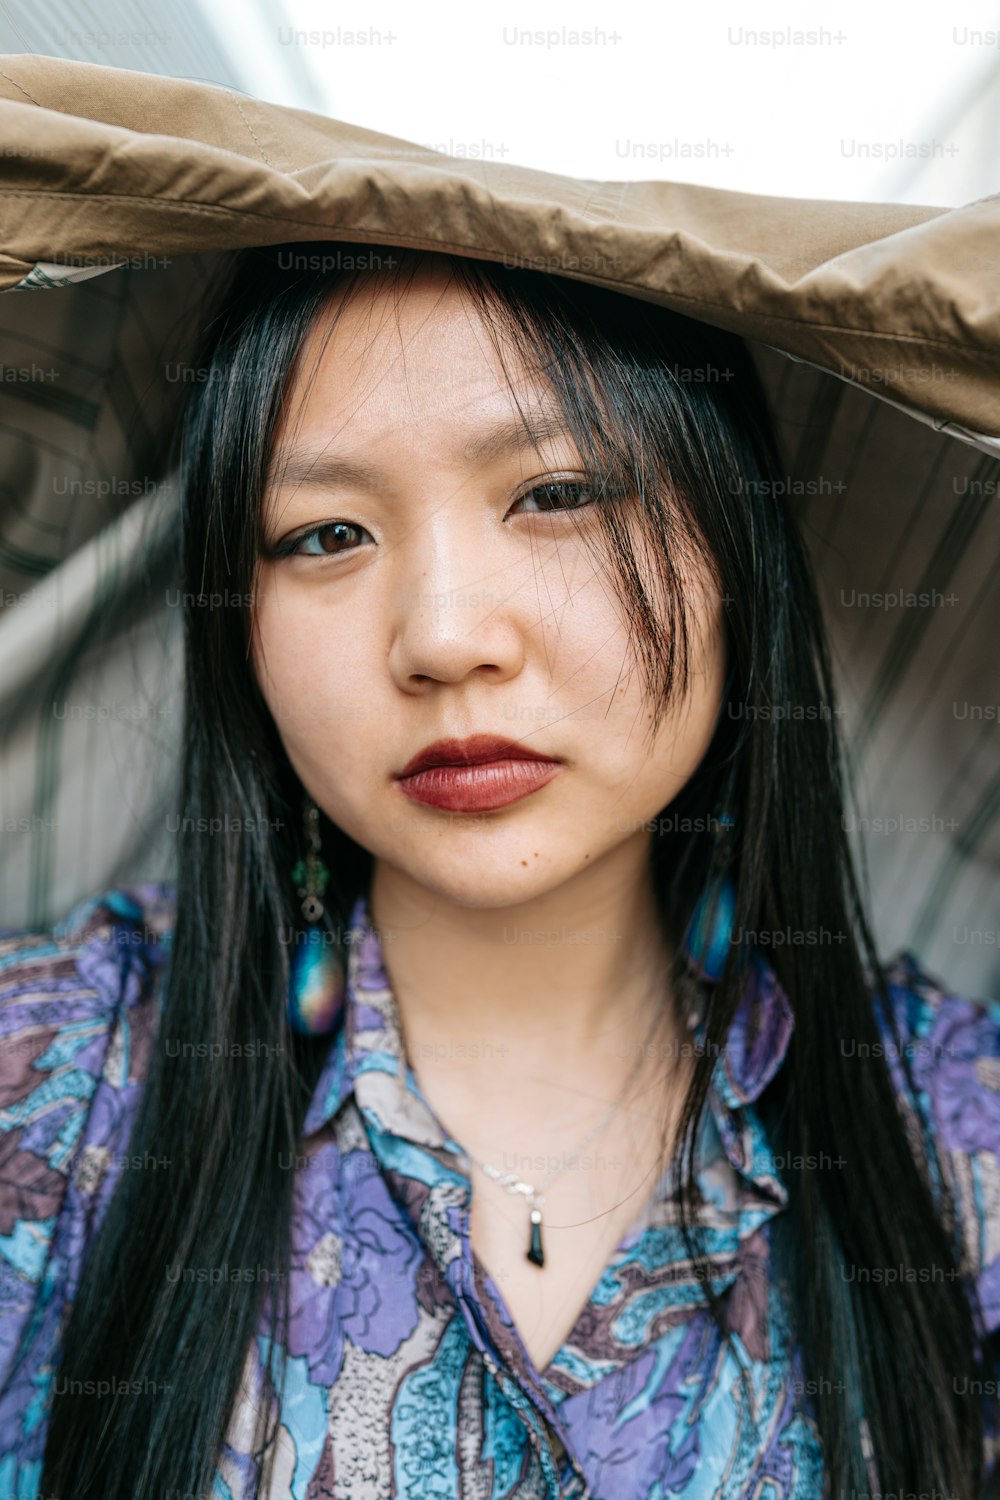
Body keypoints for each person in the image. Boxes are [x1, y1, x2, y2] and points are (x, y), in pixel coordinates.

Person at [1, 241, 997, 1500]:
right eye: (324, 532)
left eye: (557, 492)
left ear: (733, 539)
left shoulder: (959, 1148)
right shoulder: (53, 1083)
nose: (443, 637)